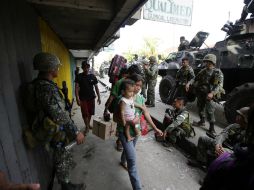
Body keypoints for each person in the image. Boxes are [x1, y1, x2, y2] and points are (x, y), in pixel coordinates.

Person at [32, 52, 85, 190]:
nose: (58, 69)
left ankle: (66, 184)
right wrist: (76, 131)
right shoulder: (47, 88)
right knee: (62, 155)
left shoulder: (38, 84)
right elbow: (59, 115)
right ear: (50, 68)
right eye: (56, 66)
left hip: (49, 127)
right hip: (56, 130)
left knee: (61, 155)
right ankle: (66, 186)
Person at [117, 74, 163, 190]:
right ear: (131, 85)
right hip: (125, 132)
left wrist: (156, 128)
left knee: (130, 148)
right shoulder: (122, 99)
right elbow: (115, 118)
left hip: (136, 131)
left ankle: (123, 160)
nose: (138, 88)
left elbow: (146, 113)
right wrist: (130, 121)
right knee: (132, 162)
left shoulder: (141, 98)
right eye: (136, 85)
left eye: (140, 86)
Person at [200, 105, 254, 190]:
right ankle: (201, 163)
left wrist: (225, 152)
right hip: (222, 146)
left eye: (240, 115)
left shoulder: (248, 134)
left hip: (232, 153)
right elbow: (222, 134)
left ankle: (211, 174)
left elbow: (242, 151)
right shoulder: (234, 126)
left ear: (245, 119)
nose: (237, 117)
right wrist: (218, 144)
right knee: (203, 138)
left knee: (223, 157)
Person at [192, 54, 224, 136]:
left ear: (213, 63)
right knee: (200, 107)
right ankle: (202, 121)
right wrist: (191, 84)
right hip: (201, 93)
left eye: (209, 62)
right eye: (206, 62)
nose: (207, 64)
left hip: (210, 95)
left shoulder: (217, 72)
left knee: (210, 111)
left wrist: (212, 93)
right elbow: (195, 79)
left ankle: (212, 128)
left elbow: (219, 85)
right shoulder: (203, 71)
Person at [75, 61, 101, 134]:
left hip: (91, 98)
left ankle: (88, 124)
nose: (86, 69)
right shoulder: (79, 76)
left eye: (87, 67)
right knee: (85, 113)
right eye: (84, 67)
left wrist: (99, 97)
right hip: (83, 98)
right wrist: (77, 98)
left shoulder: (93, 76)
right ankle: (87, 127)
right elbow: (76, 88)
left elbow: (96, 87)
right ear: (82, 68)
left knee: (90, 113)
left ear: (89, 67)